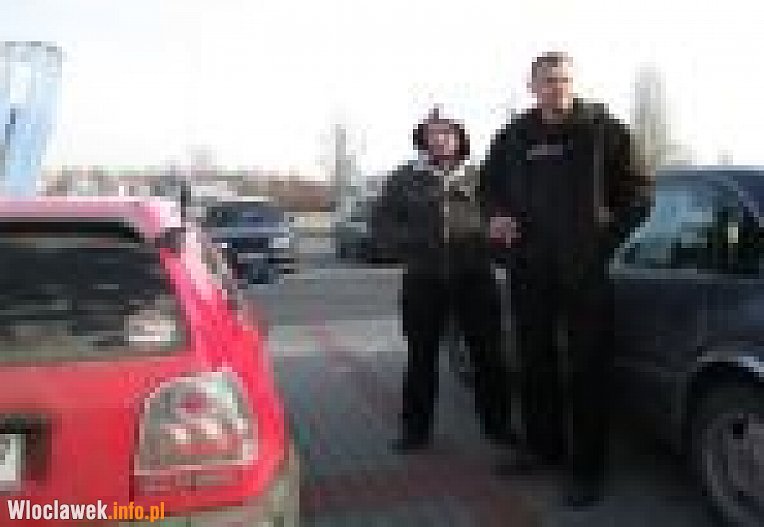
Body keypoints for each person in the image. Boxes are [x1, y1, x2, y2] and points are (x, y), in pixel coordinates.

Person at [480, 52, 653, 506]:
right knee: (534, 362)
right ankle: (544, 449)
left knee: (587, 368)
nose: (555, 87)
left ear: (573, 83)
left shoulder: (603, 130)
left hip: (585, 271)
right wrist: (496, 216)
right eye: (546, 80)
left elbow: (639, 193)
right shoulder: (513, 136)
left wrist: (603, 242)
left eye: (562, 80)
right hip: (529, 268)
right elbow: (488, 189)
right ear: (532, 85)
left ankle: (588, 468)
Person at [371, 108, 514, 452]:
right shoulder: (404, 178)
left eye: (447, 132)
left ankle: (499, 428)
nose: (439, 139)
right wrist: (415, 245)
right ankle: (415, 431)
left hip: (475, 278)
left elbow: (504, 220)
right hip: (423, 280)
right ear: (422, 139)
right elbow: (382, 226)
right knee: (421, 357)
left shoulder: (482, 176)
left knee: (488, 357)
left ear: (460, 138)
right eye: (432, 133)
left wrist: (495, 240)